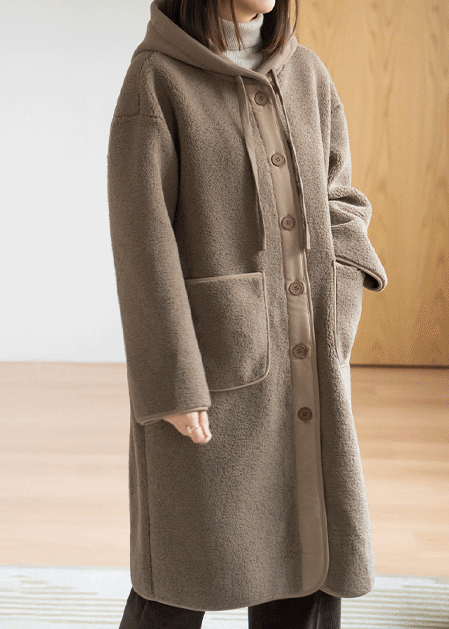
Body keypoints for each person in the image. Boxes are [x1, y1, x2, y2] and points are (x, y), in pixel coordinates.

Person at [107, 0, 388, 626]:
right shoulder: (157, 79)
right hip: (210, 368)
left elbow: (340, 198)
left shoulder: (308, 74)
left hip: (309, 360)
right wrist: (173, 380)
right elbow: (142, 240)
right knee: (180, 565)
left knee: (309, 551)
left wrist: (340, 296)